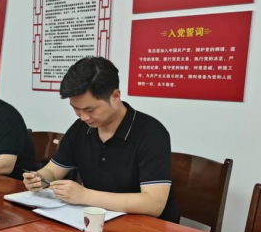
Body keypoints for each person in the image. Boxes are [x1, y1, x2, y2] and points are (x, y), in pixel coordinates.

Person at [23, 57, 179, 222]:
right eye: (76, 109)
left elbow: (153, 204)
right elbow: (53, 171)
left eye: (90, 110)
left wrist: (85, 196)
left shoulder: (151, 133)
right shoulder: (81, 128)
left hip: (147, 227)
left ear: (115, 96)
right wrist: (39, 178)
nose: (83, 117)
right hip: (97, 220)